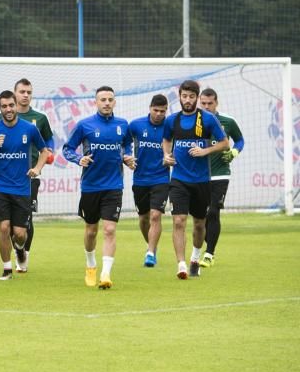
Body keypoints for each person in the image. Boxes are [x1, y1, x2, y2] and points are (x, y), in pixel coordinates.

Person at [62, 86, 134, 289]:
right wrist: (79, 159)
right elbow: (67, 149)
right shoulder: (85, 125)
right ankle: (91, 264)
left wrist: (127, 157)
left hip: (114, 185)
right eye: (103, 99)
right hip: (91, 186)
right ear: (96, 102)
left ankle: (105, 274)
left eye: (110, 99)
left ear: (115, 102)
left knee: (110, 229)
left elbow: (127, 145)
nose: (107, 103)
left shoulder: (122, 125)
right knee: (91, 230)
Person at [162, 79, 229, 279]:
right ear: (180, 96)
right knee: (179, 221)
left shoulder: (208, 119)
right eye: (184, 96)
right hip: (179, 180)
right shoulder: (171, 120)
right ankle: (181, 265)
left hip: (201, 181)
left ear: (197, 98)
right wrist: (166, 155)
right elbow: (166, 140)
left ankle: (195, 257)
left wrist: (205, 150)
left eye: (192, 97)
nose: (188, 100)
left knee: (200, 224)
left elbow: (225, 143)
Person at [0, 90, 49, 281]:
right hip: (0, 188)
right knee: (3, 228)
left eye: (11, 105)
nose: (9, 109)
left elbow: (44, 151)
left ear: (16, 105)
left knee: (19, 234)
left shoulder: (29, 128)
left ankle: (20, 249)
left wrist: (37, 168)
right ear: (0, 108)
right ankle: (6, 269)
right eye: (4, 106)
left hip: (22, 189)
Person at [9, 78, 56, 273]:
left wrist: (50, 152)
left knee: (26, 217)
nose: (25, 95)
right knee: (9, 222)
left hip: (31, 176)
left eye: (29, 92)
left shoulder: (40, 118)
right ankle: (17, 250)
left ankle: (24, 254)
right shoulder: (3, 117)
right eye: (22, 92)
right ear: (15, 93)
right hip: (8, 176)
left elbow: (49, 139)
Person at [198, 87, 244, 268]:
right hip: (199, 175)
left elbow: (240, 140)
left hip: (220, 175)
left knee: (213, 211)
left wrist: (234, 151)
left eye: (210, 103)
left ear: (216, 103)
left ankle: (209, 253)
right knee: (201, 215)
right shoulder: (194, 123)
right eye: (204, 103)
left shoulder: (228, 121)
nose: (207, 106)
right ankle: (203, 245)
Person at [125, 94, 171, 268]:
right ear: (150, 108)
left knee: (155, 215)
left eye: (163, 111)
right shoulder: (136, 125)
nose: (159, 114)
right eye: (156, 110)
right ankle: (151, 245)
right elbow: (124, 143)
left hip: (161, 178)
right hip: (140, 179)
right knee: (144, 218)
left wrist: (170, 158)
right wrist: (127, 157)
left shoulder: (170, 127)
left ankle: (150, 253)